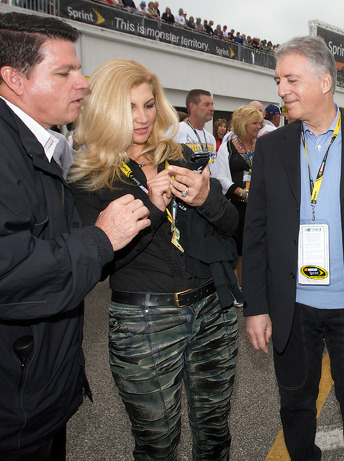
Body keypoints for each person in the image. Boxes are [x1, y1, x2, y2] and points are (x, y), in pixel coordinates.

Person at [0, 12, 150, 459]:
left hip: (26, 400)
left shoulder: (25, 142)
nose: (83, 83)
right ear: (14, 78)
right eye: (65, 71)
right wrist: (100, 238)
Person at [243, 35, 344, 461]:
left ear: (324, 81)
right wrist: (256, 307)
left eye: (291, 79)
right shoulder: (270, 146)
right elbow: (256, 233)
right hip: (292, 306)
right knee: (295, 402)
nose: (281, 90)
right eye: (278, 80)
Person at [68, 59, 240, 460]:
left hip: (213, 307)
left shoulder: (177, 154)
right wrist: (152, 208)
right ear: (105, 110)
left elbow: (231, 227)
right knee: (157, 444)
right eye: (129, 107)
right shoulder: (87, 178)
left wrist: (208, 199)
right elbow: (98, 265)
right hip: (144, 320)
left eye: (148, 104)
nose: (142, 118)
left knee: (215, 432)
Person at [212, 106, 263, 290]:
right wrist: (241, 192)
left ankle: (259, 285)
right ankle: (242, 287)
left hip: (261, 205)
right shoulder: (227, 147)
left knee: (260, 246)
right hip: (238, 206)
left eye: (260, 122)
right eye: (255, 123)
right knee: (241, 249)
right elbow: (221, 177)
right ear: (243, 124)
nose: (260, 126)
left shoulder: (263, 145)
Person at [172, 88, 218, 170]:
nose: (212, 108)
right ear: (192, 106)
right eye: (207, 104)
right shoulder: (175, 131)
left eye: (212, 104)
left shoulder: (210, 138)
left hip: (209, 181)